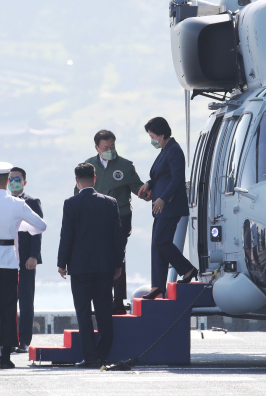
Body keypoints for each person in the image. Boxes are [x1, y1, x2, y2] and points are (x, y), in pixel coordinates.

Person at [0, 162, 47, 369]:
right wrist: (20, 225)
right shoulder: (17, 205)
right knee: (8, 308)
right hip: (8, 261)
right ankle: (5, 356)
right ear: (8, 180)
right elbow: (41, 226)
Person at [58, 163, 124, 368]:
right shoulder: (110, 202)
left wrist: (62, 263)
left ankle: (90, 356)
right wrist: (118, 264)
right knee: (104, 310)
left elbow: (66, 235)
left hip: (79, 267)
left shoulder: (71, 203)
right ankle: (104, 354)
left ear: (77, 181)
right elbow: (117, 237)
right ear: (95, 179)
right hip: (104, 266)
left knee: (83, 312)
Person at [75, 130, 144, 315]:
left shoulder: (125, 165)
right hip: (94, 219)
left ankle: (119, 300)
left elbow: (138, 189)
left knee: (117, 257)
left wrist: (154, 192)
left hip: (120, 217)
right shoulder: (88, 165)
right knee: (96, 257)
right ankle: (98, 299)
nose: (109, 150)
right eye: (105, 147)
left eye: (112, 146)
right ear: (97, 148)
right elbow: (78, 192)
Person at [137, 117, 198, 300]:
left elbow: (177, 178)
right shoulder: (165, 150)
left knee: (161, 242)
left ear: (161, 135)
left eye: (152, 136)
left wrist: (163, 198)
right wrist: (149, 184)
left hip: (170, 207)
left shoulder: (174, 150)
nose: (151, 140)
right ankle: (157, 286)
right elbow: (160, 175)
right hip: (160, 208)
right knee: (157, 245)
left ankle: (187, 269)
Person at [8, 166, 43, 353]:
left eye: (17, 179)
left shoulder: (32, 202)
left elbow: (37, 232)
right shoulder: (4, 202)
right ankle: (10, 338)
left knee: (26, 300)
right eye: (11, 179)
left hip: (26, 260)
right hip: (7, 260)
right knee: (8, 300)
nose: (14, 183)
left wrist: (34, 256)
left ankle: (24, 340)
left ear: (24, 182)